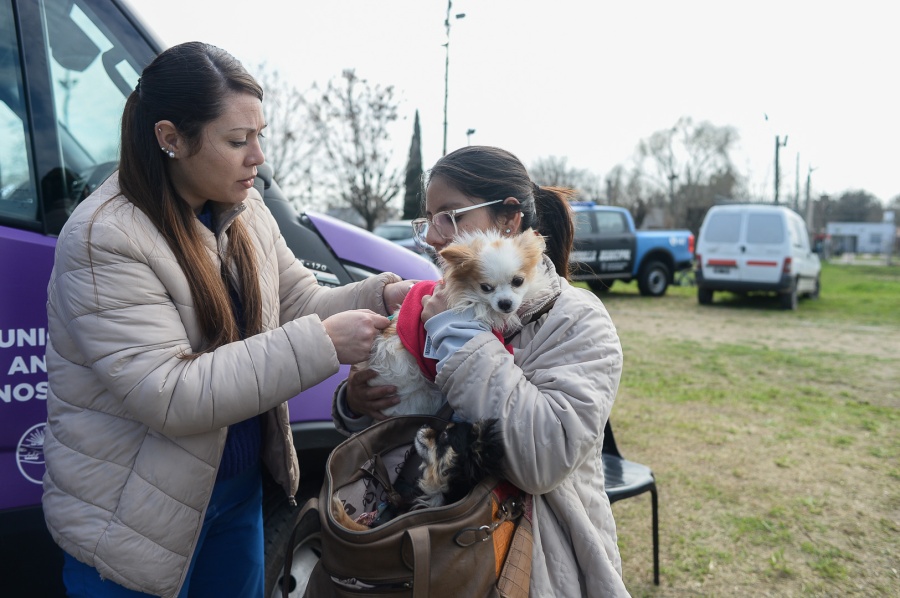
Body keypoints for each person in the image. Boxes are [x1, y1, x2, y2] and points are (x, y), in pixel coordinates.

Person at [41, 42, 412, 598]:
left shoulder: (246, 209)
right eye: (238, 140)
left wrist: (382, 297)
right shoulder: (105, 236)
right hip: (133, 517)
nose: (257, 156)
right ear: (170, 138)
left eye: (260, 135)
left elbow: (297, 301)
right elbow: (170, 393)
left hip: (235, 492)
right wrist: (321, 344)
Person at [333, 145, 630, 597]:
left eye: (450, 216)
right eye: (428, 219)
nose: (434, 236)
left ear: (509, 220)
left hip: (534, 560)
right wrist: (357, 402)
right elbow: (407, 419)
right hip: (421, 551)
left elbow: (542, 460)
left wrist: (460, 338)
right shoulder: (436, 300)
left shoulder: (577, 320)